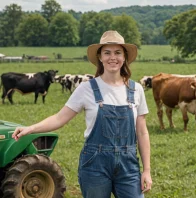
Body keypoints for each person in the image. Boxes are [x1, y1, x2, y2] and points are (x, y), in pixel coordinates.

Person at [12, 30, 152, 198]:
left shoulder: (136, 89)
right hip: (95, 165)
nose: (112, 57)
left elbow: (142, 132)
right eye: (107, 53)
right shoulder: (86, 88)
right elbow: (59, 118)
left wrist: (147, 170)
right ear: (100, 57)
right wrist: (30, 128)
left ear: (124, 56)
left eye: (117, 52)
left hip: (128, 165)